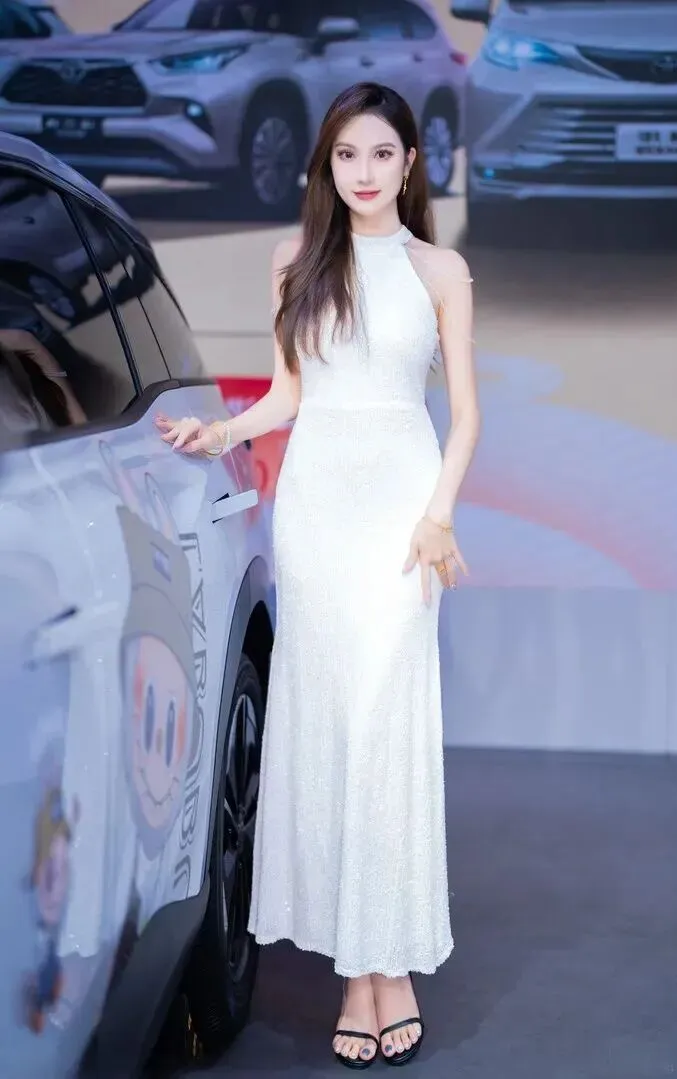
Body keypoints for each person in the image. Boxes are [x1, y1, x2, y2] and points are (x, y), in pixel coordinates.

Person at [156, 82, 480, 1069]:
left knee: (385, 725)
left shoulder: (440, 269)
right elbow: (290, 394)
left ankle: (391, 960)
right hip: (318, 514)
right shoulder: (294, 260)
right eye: (346, 156)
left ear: (411, 163)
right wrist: (220, 430)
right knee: (333, 728)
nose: (364, 173)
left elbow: (466, 416)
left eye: (381, 154)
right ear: (326, 166)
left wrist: (438, 514)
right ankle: (360, 977)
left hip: (403, 517)